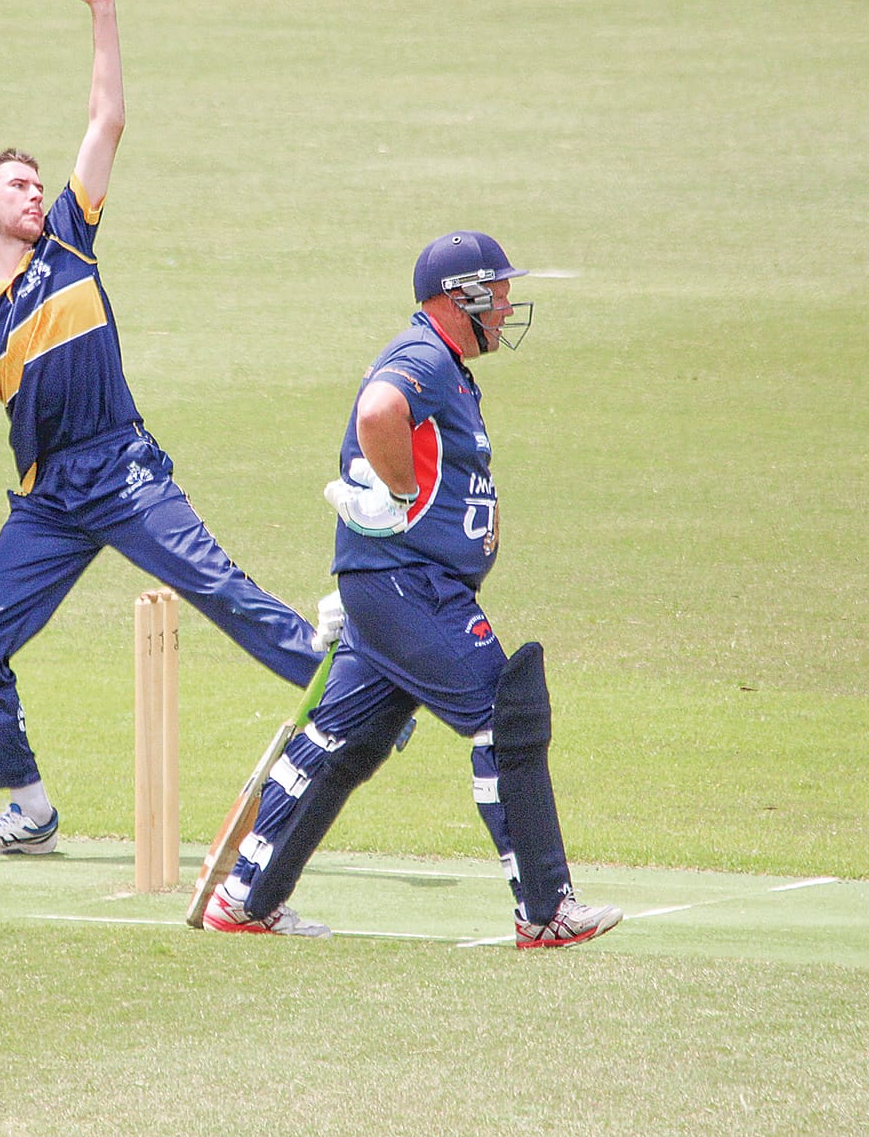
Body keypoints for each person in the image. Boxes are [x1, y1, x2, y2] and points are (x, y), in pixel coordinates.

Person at [0, 0, 322, 857]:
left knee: (223, 593)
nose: (38, 194)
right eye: (19, 188)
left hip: (123, 471)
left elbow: (107, 117)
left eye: (41, 184)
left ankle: (358, 695)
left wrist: (103, 14)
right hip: (49, 501)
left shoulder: (71, 240)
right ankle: (28, 811)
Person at [202, 231, 622, 946]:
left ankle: (246, 897)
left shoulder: (445, 363)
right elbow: (376, 413)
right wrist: (395, 507)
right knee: (506, 713)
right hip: (412, 586)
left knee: (346, 739)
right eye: (498, 290)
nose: (508, 302)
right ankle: (545, 910)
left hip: (392, 584)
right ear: (460, 297)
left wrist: (362, 570)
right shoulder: (424, 355)